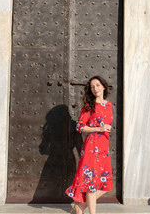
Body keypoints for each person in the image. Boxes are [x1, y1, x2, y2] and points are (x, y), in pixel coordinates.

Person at [65, 76, 113, 214]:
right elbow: (80, 127)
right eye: (92, 87)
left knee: (105, 185)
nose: (95, 88)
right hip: (92, 148)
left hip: (104, 148)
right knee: (91, 184)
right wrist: (99, 128)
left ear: (103, 86)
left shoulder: (108, 105)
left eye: (98, 85)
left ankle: (80, 206)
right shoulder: (89, 107)